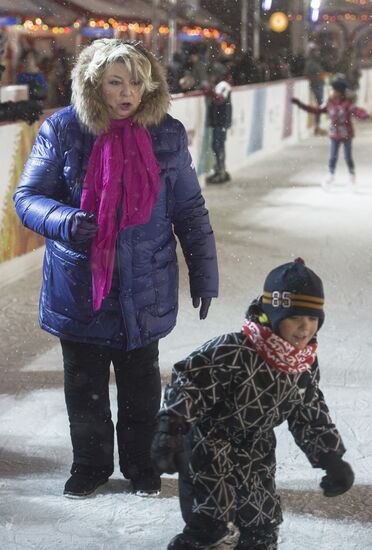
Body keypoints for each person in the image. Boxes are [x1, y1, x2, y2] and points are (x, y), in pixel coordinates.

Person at [13, 39, 218, 499]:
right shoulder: (63, 130)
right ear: (94, 84)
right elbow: (26, 199)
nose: (128, 92)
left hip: (144, 285)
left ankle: (142, 466)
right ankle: (89, 465)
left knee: (141, 390)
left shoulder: (165, 133)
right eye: (115, 82)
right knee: (84, 390)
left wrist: (205, 273)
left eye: (136, 82)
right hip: (80, 283)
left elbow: (189, 210)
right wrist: (65, 220)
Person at [151, 258, 354, 549]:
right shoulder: (235, 350)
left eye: (312, 319)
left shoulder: (303, 364)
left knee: (261, 518)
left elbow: (309, 411)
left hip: (257, 448)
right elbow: (189, 384)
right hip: (209, 443)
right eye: (295, 317)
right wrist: (170, 431)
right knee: (210, 514)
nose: (304, 328)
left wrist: (331, 459)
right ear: (273, 314)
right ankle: (201, 539)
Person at [292, 74, 369, 186]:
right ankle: (331, 175)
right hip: (334, 135)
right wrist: (300, 104)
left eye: (332, 89)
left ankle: (352, 175)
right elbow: (316, 110)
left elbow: (356, 111)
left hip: (347, 134)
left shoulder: (346, 104)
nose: (330, 91)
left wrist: (364, 115)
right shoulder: (329, 103)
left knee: (348, 157)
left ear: (339, 92)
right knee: (333, 156)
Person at [203, 62, 232, 184]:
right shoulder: (219, 85)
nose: (210, 77)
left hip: (221, 120)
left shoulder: (224, 85)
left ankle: (221, 171)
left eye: (212, 75)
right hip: (218, 120)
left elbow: (220, 99)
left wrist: (209, 92)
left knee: (218, 145)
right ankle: (220, 170)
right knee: (217, 145)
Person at [304, 45, 326, 135]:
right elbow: (308, 74)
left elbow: (319, 73)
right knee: (319, 106)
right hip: (316, 86)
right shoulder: (311, 63)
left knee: (320, 106)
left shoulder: (316, 62)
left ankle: (317, 126)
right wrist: (317, 78)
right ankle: (316, 126)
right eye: (316, 51)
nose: (318, 53)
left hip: (319, 85)